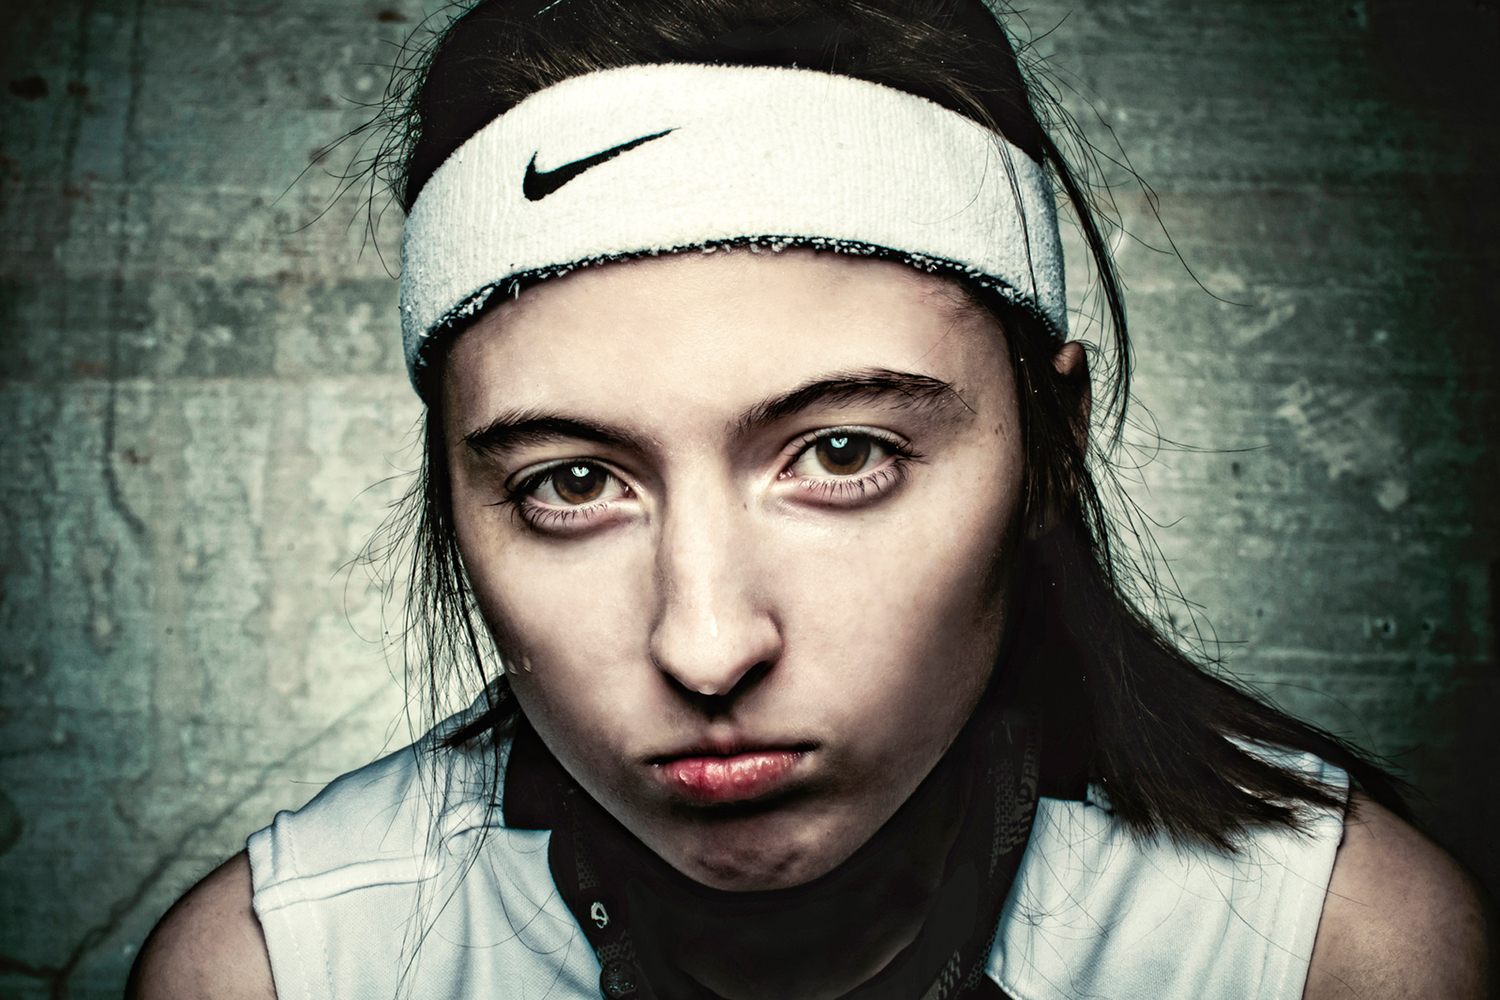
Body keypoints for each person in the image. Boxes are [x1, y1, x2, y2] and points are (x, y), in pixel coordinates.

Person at [128, 1, 1488, 998]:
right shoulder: (280, 975)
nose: (708, 645)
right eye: (573, 482)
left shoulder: (1333, 956)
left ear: (1050, 450)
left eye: (842, 454)